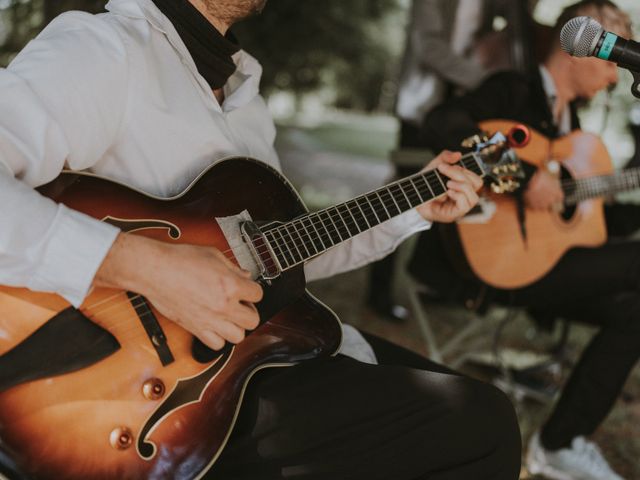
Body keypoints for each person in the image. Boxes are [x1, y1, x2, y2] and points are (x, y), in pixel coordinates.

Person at [0, 0, 521, 478]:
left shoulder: (247, 102)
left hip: (251, 358)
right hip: (150, 410)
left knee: (476, 408)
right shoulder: (104, 49)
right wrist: (147, 266)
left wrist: (412, 207)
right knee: (481, 425)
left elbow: (277, 261)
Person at [410, 1, 638, 479]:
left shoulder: (573, 127)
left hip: (548, 266)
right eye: (611, 58)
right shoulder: (512, 88)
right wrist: (525, 173)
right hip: (487, 263)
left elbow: (593, 221)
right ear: (577, 50)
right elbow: (444, 123)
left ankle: (559, 443)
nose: (616, 77)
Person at [367, 0, 538, 321]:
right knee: (399, 195)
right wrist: (487, 85)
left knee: (455, 193)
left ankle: (433, 281)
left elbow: (517, 16)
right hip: (423, 110)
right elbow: (429, 47)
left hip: (464, 114)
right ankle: (379, 291)